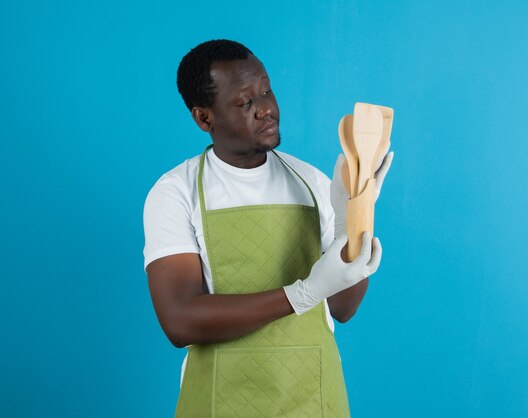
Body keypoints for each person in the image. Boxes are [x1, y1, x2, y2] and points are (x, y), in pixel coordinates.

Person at [143, 39, 393, 417]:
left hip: (315, 400)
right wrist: (303, 294)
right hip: (221, 403)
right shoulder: (176, 192)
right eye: (245, 102)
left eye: (267, 90)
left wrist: (354, 216)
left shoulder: (310, 181)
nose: (266, 109)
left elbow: (343, 306)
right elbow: (180, 320)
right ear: (203, 118)